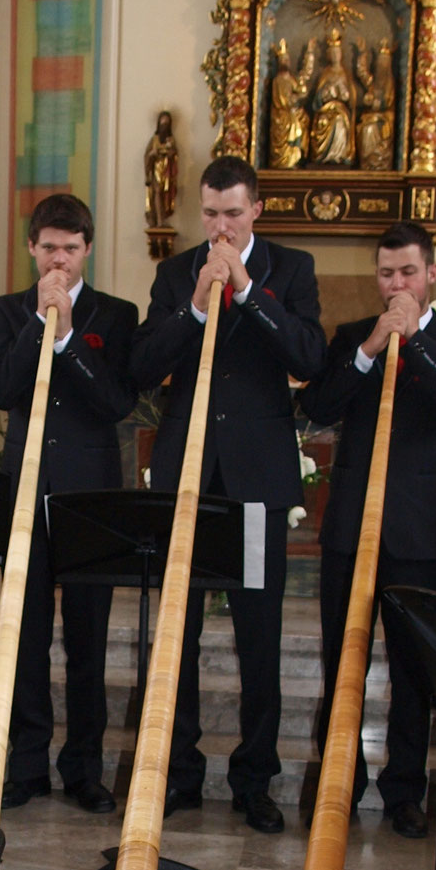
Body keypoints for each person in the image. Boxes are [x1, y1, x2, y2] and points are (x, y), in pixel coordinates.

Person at [129, 154, 326, 833]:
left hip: (255, 482)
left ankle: (254, 778)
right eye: (210, 214)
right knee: (176, 633)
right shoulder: (173, 273)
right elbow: (144, 363)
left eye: (232, 214)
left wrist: (246, 292)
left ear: (256, 211)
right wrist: (191, 307)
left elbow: (308, 356)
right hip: (188, 478)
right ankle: (178, 772)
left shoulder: (291, 270)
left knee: (258, 636)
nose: (219, 227)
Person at [301, 221, 436, 837]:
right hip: (351, 531)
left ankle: (405, 791)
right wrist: (370, 350)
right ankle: (338, 784)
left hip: (417, 535)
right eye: (387, 274)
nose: (397, 284)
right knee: (343, 662)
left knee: (413, 673)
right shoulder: (355, 337)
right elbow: (320, 405)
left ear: (431, 274)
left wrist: (417, 343)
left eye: (408, 272)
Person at [0, 193, 138, 814]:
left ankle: (84, 769)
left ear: (88, 251)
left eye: (71, 249)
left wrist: (70, 336)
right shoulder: (5, 311)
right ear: (31, 248)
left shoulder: (116, 315)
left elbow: (116, 403)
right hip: (24, 489)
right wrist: (37, 325)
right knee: (23, 637)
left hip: (88, 498)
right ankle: (25, 766)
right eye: (49, 247)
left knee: (87, 640)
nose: (59, 259)